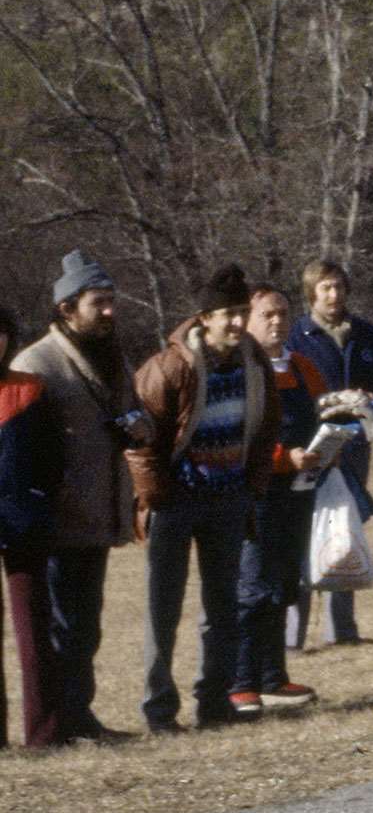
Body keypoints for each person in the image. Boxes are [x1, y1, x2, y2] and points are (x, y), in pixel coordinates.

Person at [129, 266, 279, 731]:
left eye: (241, 313)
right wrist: (160, 498)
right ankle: (159, 711)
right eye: (226, 315)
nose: (236, 323)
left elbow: (267, 429)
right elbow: (141, 442)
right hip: (176, 502)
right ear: (203, 317)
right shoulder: (169, 367)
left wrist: (251, 489)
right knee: (163, 612)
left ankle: (214, 705)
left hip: (228, 501)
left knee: (222, 611)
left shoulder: (255, 363)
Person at [9, 249, 141, 743]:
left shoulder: (114, 357)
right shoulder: (35, 365)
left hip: (98, 516)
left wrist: (138, 425)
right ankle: (58, 724)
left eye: (111, 301)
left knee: (86, 628)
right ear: (67, 308)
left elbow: (131, 408)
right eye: (97, 303)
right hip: (57, 521)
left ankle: (79, 717)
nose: (109, 311)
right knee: (62, 632)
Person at [286, 260, 373, 646]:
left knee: (346, 530)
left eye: (339, 287)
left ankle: (342, 630)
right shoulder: (296, 337)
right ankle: (292, 634)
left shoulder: (367, 334)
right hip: (311, 449)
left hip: (355, 448)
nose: (334, 295)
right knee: (304, 532)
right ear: (312, 293)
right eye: (325, 288)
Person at [235, 288, 325, 712]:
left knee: (285, 585)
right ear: (247, 320)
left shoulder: (304, 368)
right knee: (251, 587)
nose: (277, 322)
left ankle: (273, 677)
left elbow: (327, 414)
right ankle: (240, 681)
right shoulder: (239, 369)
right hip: (255, 494)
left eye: (283, 314)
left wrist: (334, 442)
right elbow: (237, 436)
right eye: (267, 314)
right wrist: (281, 458)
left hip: (298, 494)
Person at [1, 306, 70, 749]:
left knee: (33, 630)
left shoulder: (30, 390)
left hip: (24, 524)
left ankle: (43, 733)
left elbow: (52, 457)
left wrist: (40, 499)